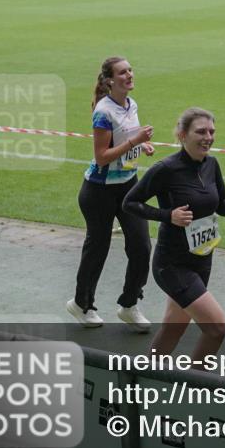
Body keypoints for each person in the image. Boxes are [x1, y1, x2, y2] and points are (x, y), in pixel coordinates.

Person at [123, 108, 225, 364]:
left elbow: (220, 208)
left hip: (202, 260)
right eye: (201, 131)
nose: (208, 137)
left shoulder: (211, 165)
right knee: (216, 329)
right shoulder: (166, 169)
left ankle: (138, 384)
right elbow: (130, 203)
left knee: (173, 327)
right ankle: (194, 384)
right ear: (182, 135)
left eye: (211, 131)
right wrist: (168, 215)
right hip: (172, 263)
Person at [67, 57, 154, 331]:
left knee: (141, 247)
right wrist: (135, 141)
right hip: (99, 191)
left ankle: (129, 305)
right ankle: (81, 304)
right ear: (109, 81)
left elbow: (127, 140)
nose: (129, 74)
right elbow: (102, 157)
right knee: (98, 248)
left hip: (129, 185)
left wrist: (141, 147)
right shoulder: (103, 112)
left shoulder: (131, 104)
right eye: (122, 72)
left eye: (130, 69)